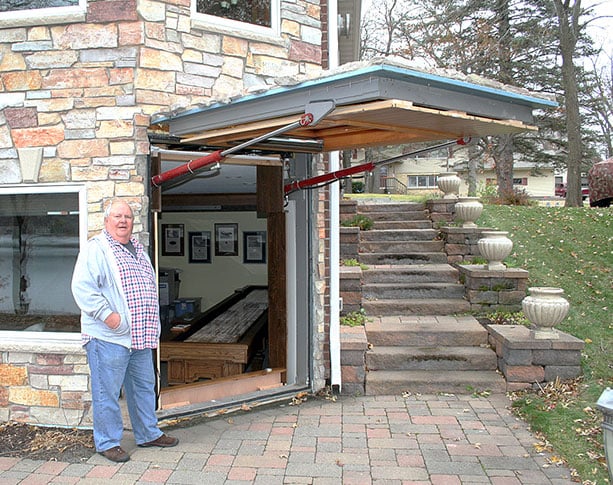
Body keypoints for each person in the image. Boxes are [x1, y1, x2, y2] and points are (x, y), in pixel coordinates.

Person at [71, 198, 178, 463]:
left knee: (143, 387)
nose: (123, 221)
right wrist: (109, 317)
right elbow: (82, 288)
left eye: (127, 217)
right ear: (107, 221)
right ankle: (107, 442)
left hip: (140, 337)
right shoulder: (97, 249)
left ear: (133, 222)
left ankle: (148, 433)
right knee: (106, 392)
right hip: (109, 337)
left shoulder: (139, 250)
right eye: (117, 216)